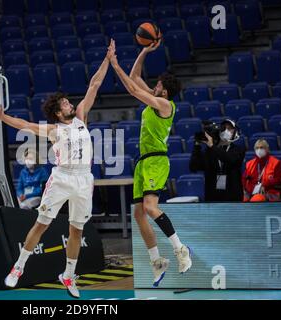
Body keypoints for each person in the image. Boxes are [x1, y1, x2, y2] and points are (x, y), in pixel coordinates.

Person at [0, 51, 110, 298]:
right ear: (58, 112)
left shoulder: (82, 117)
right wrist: (1, 116)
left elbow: (94, 84)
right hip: (62, 178)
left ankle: (69, 275)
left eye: (68, 102)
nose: (70, 104)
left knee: (77, 230)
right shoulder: (54, 130)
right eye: (64, 104)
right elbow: (24, 125)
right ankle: (18, 268)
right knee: (42, 224)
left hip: (85, 178)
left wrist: (108, 60)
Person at [106, 39, 192, 287]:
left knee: (151, 208)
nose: (154, 86)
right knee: (138, 213)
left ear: (164, 91)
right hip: (143, 162)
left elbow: (132, 89)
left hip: (157, 160)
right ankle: (157, 261)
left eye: (157, 84)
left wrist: (113, 63)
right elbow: (134, 77)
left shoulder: (165, 105)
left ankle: (180, 249)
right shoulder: (156, 98)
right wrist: (144, 51)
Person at [190, 119, 245, 202]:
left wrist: (212, 146)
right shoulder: (209, 151)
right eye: (224, 128)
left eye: (230, 128)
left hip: (233, 195)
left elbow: (230, 160)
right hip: (213, 196)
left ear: (235, 131)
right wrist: (197, 146)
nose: (226, 131)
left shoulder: (238, 149)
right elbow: (193, 167)